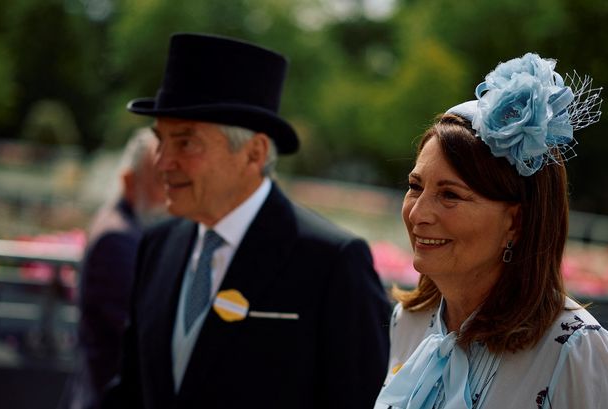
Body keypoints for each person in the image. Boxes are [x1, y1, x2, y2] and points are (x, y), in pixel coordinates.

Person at [102, 33, 391, 409]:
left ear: (254, 153)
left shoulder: (331, 262)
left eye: (185, 142)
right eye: (161, 141)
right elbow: (130, 391)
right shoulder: (158, 244)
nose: (162, 163)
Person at [373, 53, 608, 409]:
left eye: (450, 195)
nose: (418, 213)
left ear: (516, 220)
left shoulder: (573, 348)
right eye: (415, 186)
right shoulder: (409, 320)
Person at [60, 128, 167, 409]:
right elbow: (133, 331)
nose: (168, 192)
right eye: (159, 180)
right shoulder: (118, 238)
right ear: (129, 181)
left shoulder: (123, 226)